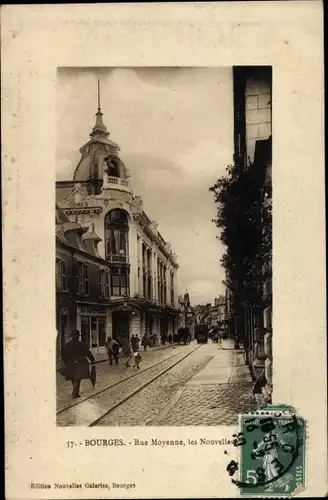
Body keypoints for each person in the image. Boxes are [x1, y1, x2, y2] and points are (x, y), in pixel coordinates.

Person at [61, 330, 95, 399]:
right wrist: (92, 359)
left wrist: (66, 362)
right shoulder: (81, 344)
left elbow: (63, 355)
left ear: (71, 337)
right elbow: (88, 352)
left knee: (73, 378)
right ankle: (75, 393)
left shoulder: (67, 345)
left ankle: (75, 392)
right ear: (78, 337)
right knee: (77, 379)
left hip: (70, 364)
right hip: (79, 364)